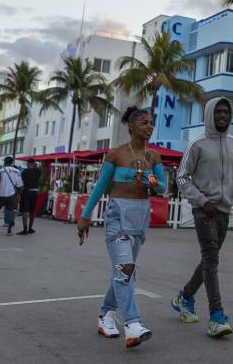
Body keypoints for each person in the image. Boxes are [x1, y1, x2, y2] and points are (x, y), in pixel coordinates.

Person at [77, 107, 166, 349]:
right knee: (125, 269)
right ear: (131, 126)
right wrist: (85, 215)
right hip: (118, 215)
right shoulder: (115, 154)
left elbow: (163, 189)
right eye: (144, 123)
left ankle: (106, 315)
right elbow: (100, 187)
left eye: (151, 123)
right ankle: (133, 324)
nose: (149, 126)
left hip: (140, 217)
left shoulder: (154, 157)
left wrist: (153, 182)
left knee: (124, 270)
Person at [173, 97, 233, 339]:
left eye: (227, 113)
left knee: (209, 260)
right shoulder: (197, 144)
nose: (223, 116)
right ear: (210, 114)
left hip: (224, 211)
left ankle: (185, 296)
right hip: (204, 211)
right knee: (211, 260)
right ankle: (217, 316)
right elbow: (181, 177)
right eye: (219, 112)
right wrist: (202, 201)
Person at [0, 156, 23, 235]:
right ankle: (9, 231)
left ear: (4, 162)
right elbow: (20, 185)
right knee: (11, 211)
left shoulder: (0, 170)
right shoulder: (17, 171)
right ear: (12, 163)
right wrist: (18, 194)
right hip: (11, 194)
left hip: (0, 194)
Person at [18, 159, 42, 235]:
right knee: (32, 211)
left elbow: (21, 182)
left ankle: (25, 229)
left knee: (25, 210)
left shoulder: (25, 172)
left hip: (27, 192)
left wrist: (19, 193)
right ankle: (30, 228)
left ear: (28, 164)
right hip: (35, 192)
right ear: (34, 163)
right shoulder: (38, 171)